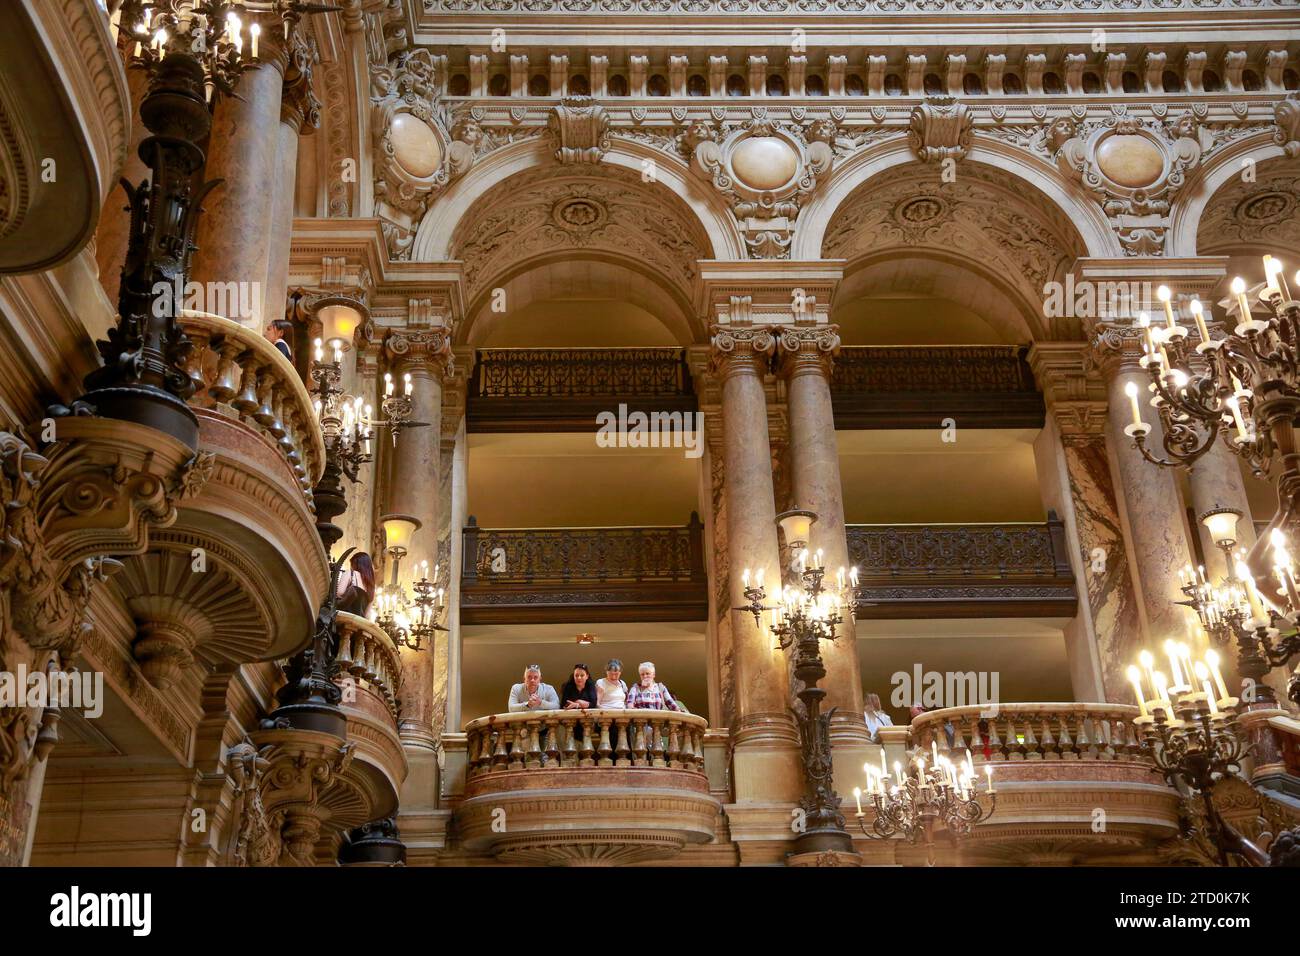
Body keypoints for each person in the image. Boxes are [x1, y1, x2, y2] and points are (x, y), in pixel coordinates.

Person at [559, 664, 598, 741]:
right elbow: (564, 705)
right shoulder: (568, 686)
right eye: (576, 675)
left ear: (587, 676)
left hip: (586, 719)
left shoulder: (590, 685)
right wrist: (582, 704)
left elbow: (593, 704)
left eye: (582, 675)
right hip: (571, 719)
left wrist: (577, 704)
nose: (579, 678)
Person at [335, 552, 375, 616]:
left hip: (344, 618)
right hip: (357, 623)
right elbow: (367, 615)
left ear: (355, 563)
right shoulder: (371, 587)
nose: (351, 567)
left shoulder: (351, 574)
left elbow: (339, 593)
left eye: (351, 564)